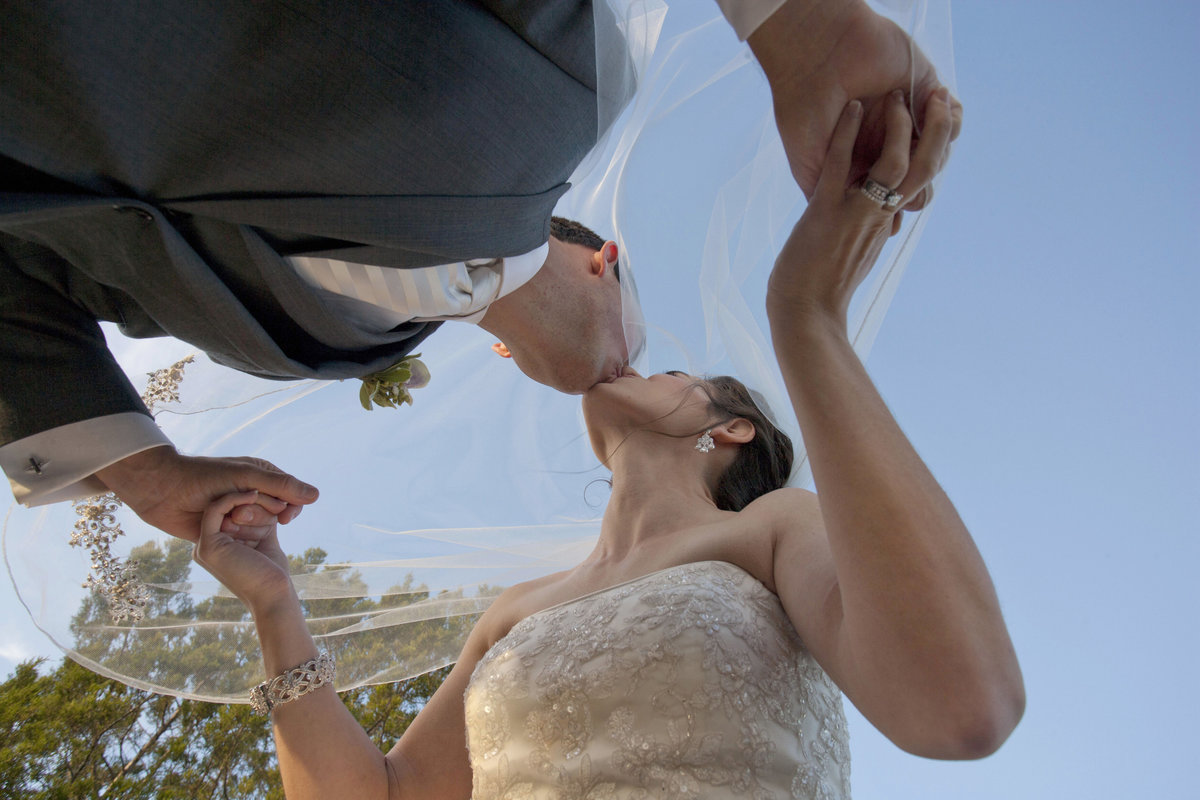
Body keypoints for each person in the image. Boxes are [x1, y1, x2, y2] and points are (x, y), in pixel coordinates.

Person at [189, 90, 1019, 798]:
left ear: (728, 429)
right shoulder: (513, 612)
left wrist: (806, 317)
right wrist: (276, 607)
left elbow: (960, 705)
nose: (639, 365)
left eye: (674, 373)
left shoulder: (773, 531)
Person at [0, 0, 961, 547]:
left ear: (504, 357)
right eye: (657, 354)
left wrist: (142, 471)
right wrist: (796, 23)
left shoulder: (309, 352)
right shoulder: (574, 81)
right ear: (606, 261)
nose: (639, 370)